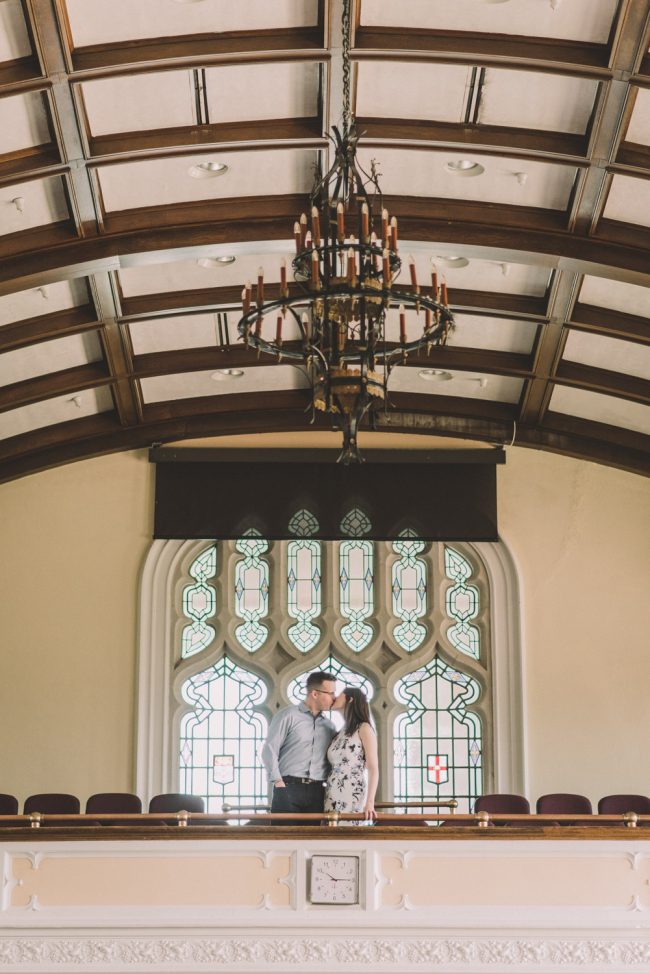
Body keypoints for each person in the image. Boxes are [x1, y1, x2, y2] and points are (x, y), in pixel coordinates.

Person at [261, 671, 337, 823]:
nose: (334, 698)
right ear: (315, 694)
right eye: (330, 693)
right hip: (288, 787)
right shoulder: (288, 715)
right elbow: (269, 750)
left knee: (310, 843)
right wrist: (279, 782)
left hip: (317, 791)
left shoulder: (329, 726)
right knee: (282, 842)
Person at [324, 686, 379, 823]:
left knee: (348, 834)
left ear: (350, 699)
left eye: (339, 694)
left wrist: (370, 802)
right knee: (329, 833)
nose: (335, 697)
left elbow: (373, 768)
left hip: (351, 788)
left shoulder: (364, 728)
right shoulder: (341, 732)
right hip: (331, 790)